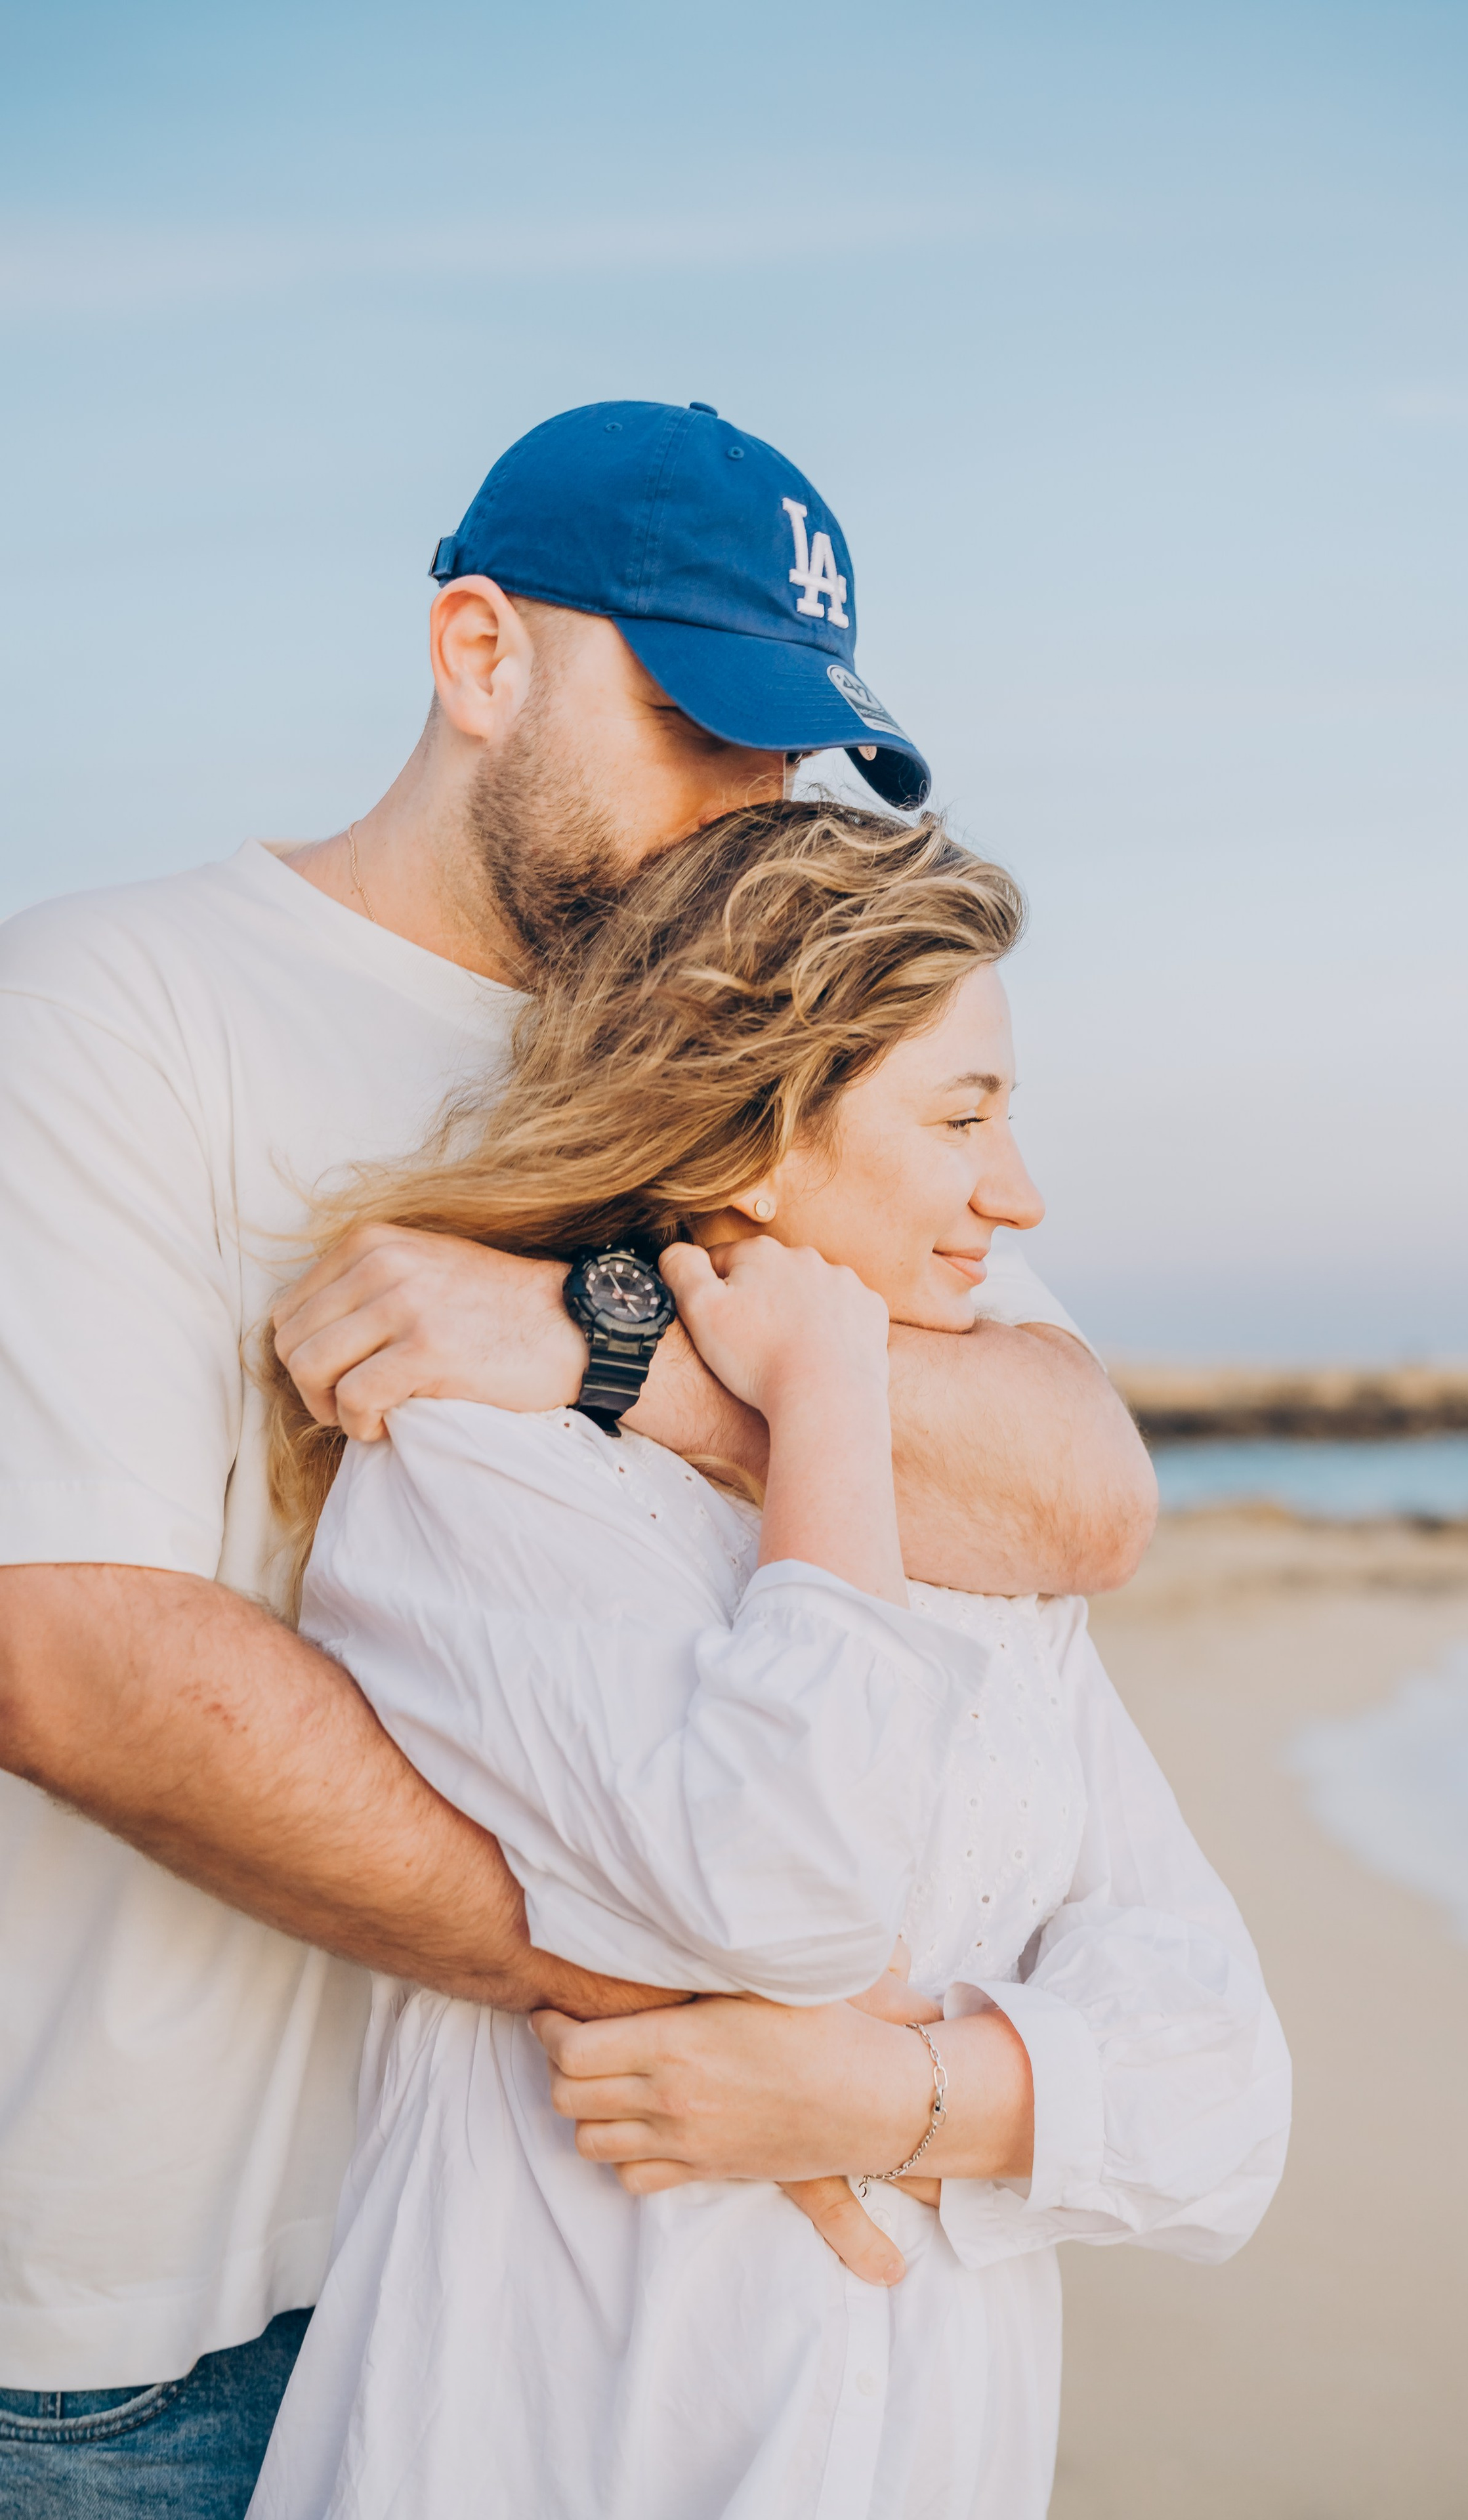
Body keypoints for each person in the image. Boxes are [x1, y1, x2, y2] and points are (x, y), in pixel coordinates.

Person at [0, 402, 1157, 2515]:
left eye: (790, 757)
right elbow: (74, 1653)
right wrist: (682, 2014)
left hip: (555, 2294)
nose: (750, 811)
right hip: (143, 2336)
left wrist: (602, 1347)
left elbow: (1078, 1492)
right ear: (476, 654)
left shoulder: (753, 1047)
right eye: (697, 728)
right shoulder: (111, 1005)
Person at [248, 798, 1290, 2520]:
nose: (1014, 1197)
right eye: (964, 1118)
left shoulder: (970, 1520)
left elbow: (1229, 2093)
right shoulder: (473, 1473)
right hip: (576, 2444)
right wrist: (819, 1403)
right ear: (742, 1127)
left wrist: (904, 2094)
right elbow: (790, 1885)